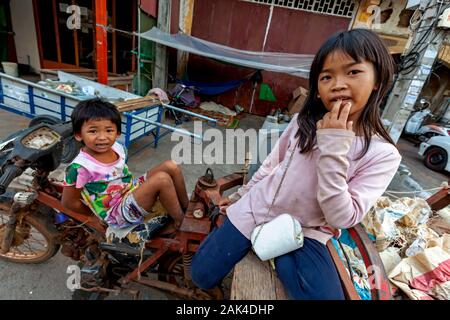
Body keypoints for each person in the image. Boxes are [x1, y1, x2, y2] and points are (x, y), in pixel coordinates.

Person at [190, 29, 402, 300]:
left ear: (377, 80)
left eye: (352, 72)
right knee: (201, 275)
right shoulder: (305, 122)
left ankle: (277, 253)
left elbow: (342, 217)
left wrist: (335, 148)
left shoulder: (382, 154)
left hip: (307, 231)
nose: (337, 84)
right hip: (257, 209)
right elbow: (271, 165)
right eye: (327, 77)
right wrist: (241, 195)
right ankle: (264, 245)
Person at [62, 98, 189, 231]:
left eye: (109, 130)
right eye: (93, 131)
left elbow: (120, 174)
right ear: (78, 135)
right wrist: (93, 216)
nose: (102, 137)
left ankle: (186, 208)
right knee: (162, 179)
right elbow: (69, 202)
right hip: (116, 213)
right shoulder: (80, 168)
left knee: (171, 165)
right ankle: (181, 222)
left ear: (117, 133)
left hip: (129, 190)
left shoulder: (117, 147)